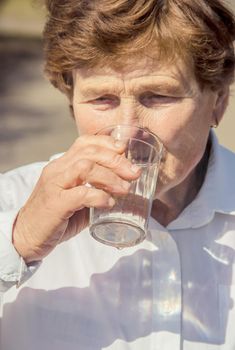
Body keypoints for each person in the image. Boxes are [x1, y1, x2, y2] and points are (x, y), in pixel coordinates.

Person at [0, 0, 235, 348]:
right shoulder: (13, 199)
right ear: (70, 102)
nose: (128, 130)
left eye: (157, 96)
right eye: (102, 99)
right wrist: (19, 242)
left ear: (218, 102)